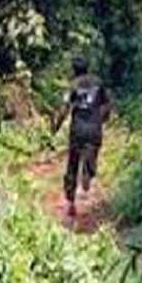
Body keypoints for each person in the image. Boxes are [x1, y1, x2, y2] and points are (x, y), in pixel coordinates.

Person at [52, 57, 112, 217]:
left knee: (72, 164)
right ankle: (88, 172)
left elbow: (64, 109)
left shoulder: (73, 86)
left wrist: (55, 128)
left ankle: (71, 202)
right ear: (87, 68)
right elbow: (107, 105)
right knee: (92, 152)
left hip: (77, 129)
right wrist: (102, 119)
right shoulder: (98, 83)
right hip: (94, 128)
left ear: (74, 70)